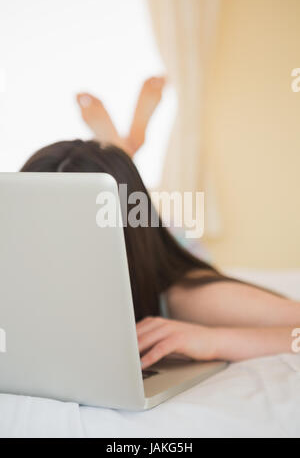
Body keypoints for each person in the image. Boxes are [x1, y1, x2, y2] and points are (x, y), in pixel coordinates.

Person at [20, 78, 300, 370]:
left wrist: (214, 340)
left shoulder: (193, 297)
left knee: (136, 208)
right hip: (142, 229)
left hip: (170, 246)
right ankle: (118, 151)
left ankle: (121, 148)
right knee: (124, 197)